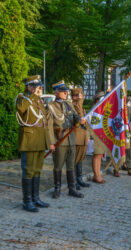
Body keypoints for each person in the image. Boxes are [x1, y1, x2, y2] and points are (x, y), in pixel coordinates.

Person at [15, 75, 50, 212]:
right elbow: (21, 110)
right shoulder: (22, 99)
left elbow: (44, 120)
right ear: (29, 87)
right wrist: (33, 96)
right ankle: (27, 201)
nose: (38, 89)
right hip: (29, 140)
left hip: (40, 139)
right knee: (28, 170)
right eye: (35, 86)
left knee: (37, 170)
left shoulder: (38, 100)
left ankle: (35, 198)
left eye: (39, 86)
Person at [47, 80, 85, 199]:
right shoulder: (51, 106)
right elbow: (48, 127)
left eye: (66, 91)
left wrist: (79, 120)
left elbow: (75, 116)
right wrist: (51, 143)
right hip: (59, 140)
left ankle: (72, 189)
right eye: (63, 91)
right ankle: (57, 189)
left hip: (71, 139)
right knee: (58, 166)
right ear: (56, 92)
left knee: (71, 166)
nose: (65, 93)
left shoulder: (68, 104)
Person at [71, 88, 90, 190]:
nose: (82, 97)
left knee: (81, 159)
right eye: (80, 95)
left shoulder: (81, 108)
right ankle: (74, 181)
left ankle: (79, 178)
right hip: (76, 136)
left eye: (82, 95)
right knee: (75, 159)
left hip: (83, 135)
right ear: (74, 97)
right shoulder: (72, 107)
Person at [90, 92, 107, 184]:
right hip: (96, 134)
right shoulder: (95, 109)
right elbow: (92, 122)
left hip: (101, 134)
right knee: (97, 155)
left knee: (99, 155)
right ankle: (96, 175)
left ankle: (98, 174)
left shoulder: (101, 109)